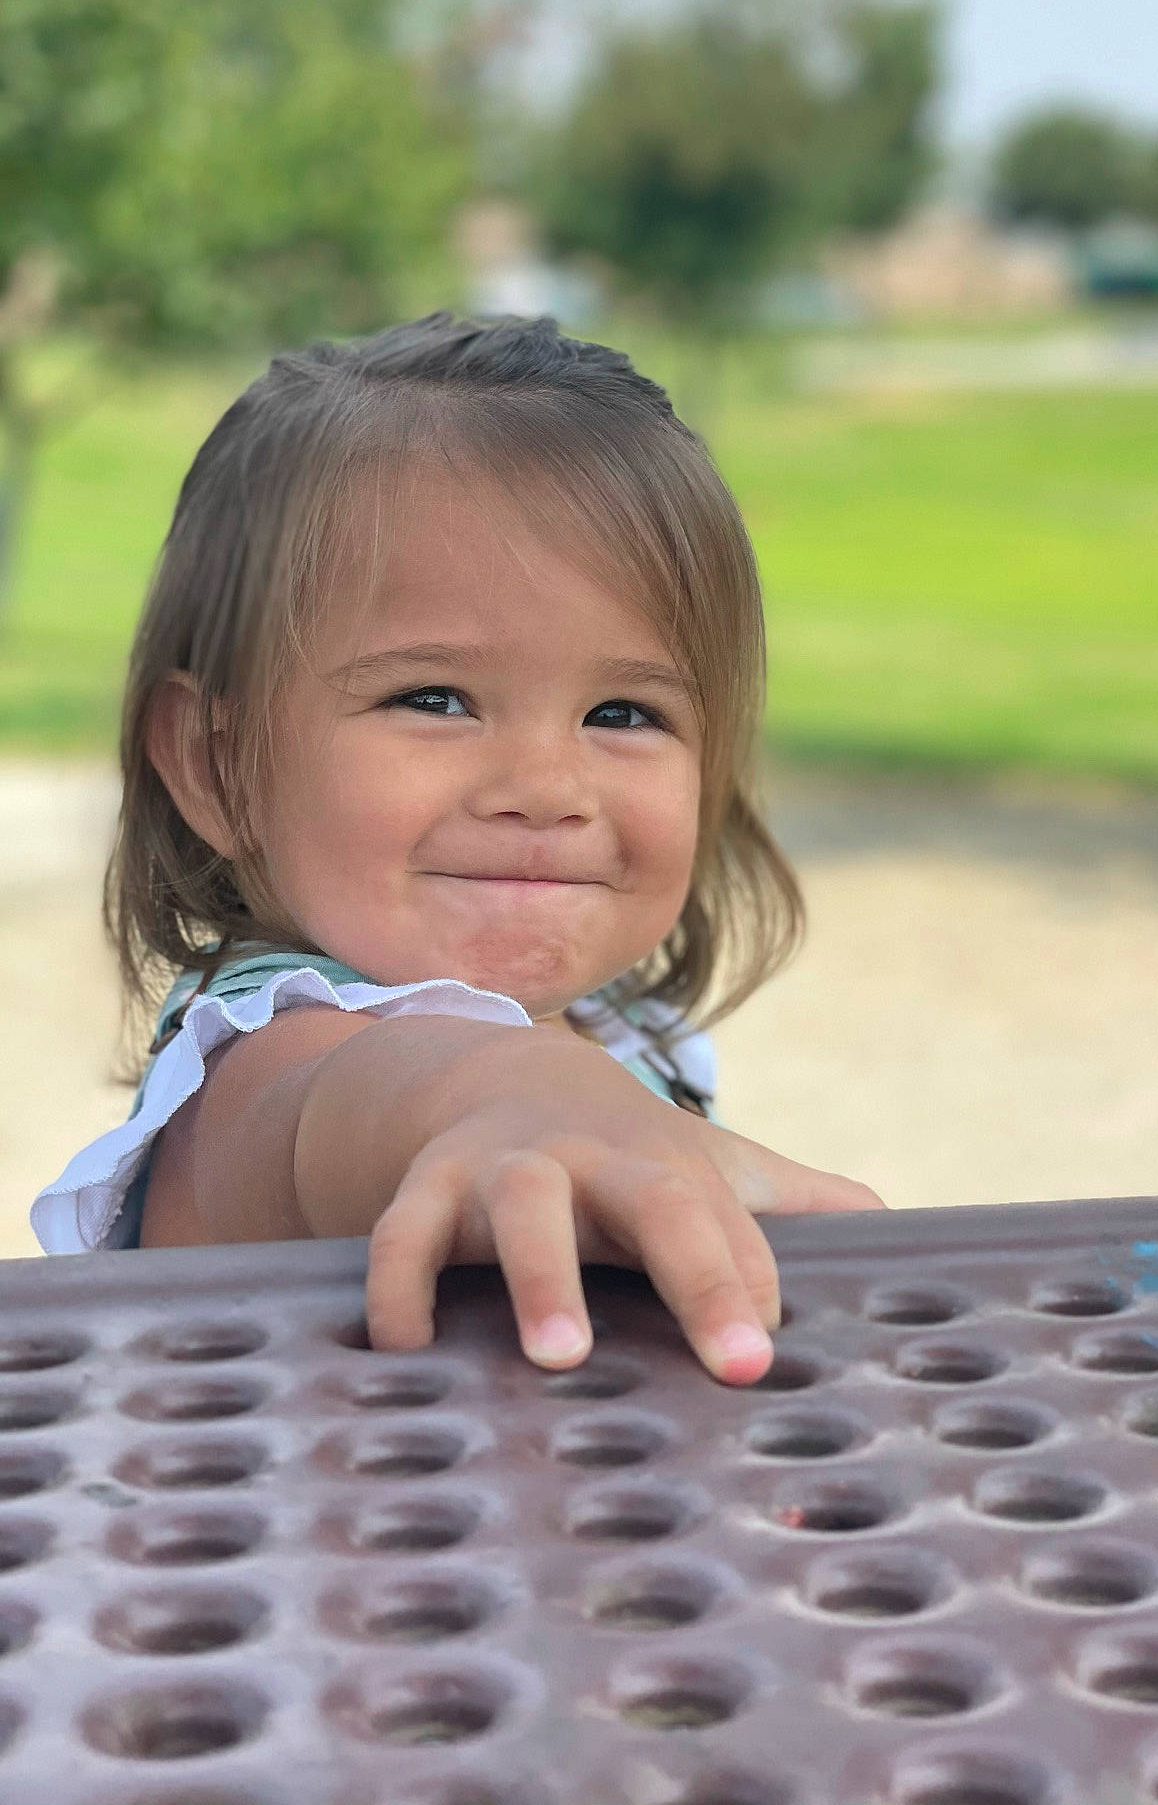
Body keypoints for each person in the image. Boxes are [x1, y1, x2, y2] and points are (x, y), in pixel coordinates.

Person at [30, 313, 882, 1384]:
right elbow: (365, 1098)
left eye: (623, 712)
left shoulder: (631, 1038)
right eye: (433, 698)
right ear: (217, 761)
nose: (545, 789)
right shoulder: (264, 1067)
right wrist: (515, 1094)